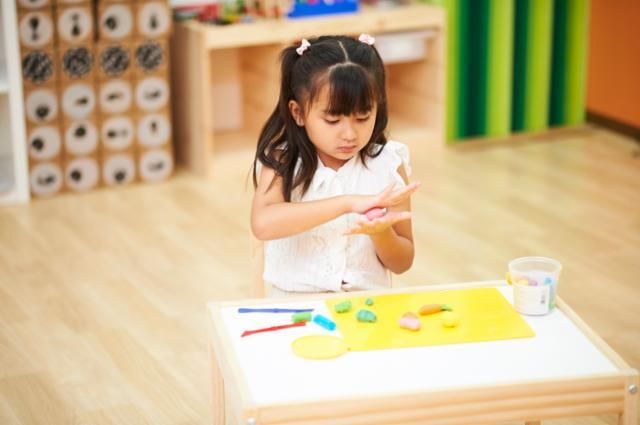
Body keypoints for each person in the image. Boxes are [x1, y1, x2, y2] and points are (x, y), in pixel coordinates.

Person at [251, 34, 420, 297]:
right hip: (294, 304)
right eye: (332, 120)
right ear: (298, 113)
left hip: (365, 304)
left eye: (363, 117)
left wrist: (381, 233)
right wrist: (347, 203)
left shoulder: (388, 163)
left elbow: (402, 263)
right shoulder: (283, 160)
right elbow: (263, 224)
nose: (350, 134)